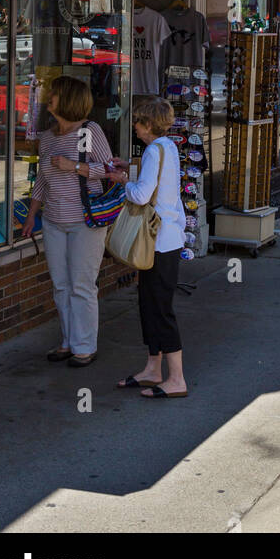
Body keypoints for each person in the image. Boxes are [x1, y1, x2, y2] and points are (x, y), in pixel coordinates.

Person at [22, 75, 114, 368]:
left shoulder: (89, 131)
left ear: (68, 100)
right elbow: (41, 182)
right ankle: (67, 341)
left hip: (84, 221)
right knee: (60, 285)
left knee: (82, 285)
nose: (49, 97)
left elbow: (110, 169)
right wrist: (31, 214)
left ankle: (85, 346)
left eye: (55, 94)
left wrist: (74, 166)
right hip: (52, 221)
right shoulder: (48, 137)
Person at [107, 97, 187, 399]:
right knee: (149, 304)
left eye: (138, 123)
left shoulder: (154, 150)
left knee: (159, 308)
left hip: (159, 241)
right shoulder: (167, 147)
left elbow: (141, 196)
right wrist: (132, 168)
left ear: (149, 124)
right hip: (167, 238)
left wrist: (123, 180)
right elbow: (161, 183)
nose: (136, 129)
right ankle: (153, 369)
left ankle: (176, 378)